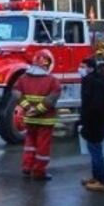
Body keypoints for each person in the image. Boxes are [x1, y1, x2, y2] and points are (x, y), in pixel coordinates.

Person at [12, 50, 61, 181]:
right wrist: (37, 109)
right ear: (48, 63)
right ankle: (39, 172)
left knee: (30, 144)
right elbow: (51, 100)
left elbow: (16, 93)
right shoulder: (52, 81)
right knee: (42, 147)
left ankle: (27, 167)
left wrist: (27, 107)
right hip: (45, 120)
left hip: (29, 118)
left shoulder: (23, 78)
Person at [80, 58, 104, 193]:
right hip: (100, 120)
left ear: (89, 67)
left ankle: (103, 181)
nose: (81, 69)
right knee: (95, 150)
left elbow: (91, 104)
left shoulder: (91, 81)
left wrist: (85, 120)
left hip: (94, 121)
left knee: (96, 151)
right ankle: (96, 177)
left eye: (83, 66)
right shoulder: (101, 80)